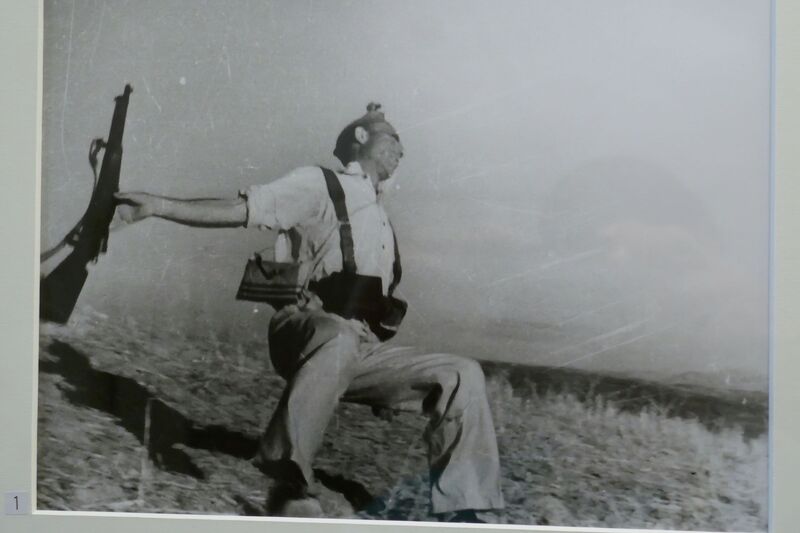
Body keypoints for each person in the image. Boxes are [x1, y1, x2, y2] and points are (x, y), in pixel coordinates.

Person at [115, 103, 504, 523]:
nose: (402, 151)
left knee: (462, 373)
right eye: (393, 139)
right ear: (361, 137)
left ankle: (464, 513)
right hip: (304, 327)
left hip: (358, 346)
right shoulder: (320, 183)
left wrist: (391, 379)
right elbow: (242, 209)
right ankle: (288, 481)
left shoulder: (382, 219)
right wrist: (157, 205)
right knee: (337, 338)